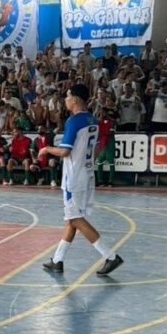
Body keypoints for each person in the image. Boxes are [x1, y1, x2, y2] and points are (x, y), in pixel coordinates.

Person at [38, 84, 123, 276]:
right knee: (71, 219)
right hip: (87, 173)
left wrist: (47, 149)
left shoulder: (74, 121)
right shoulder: (92, 119)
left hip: (74, 177)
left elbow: (65, 151)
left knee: (76, 218)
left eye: (68, 97)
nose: (66, 100)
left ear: (75, 99)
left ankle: (110, 256)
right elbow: (99, 147)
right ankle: (57, 260)